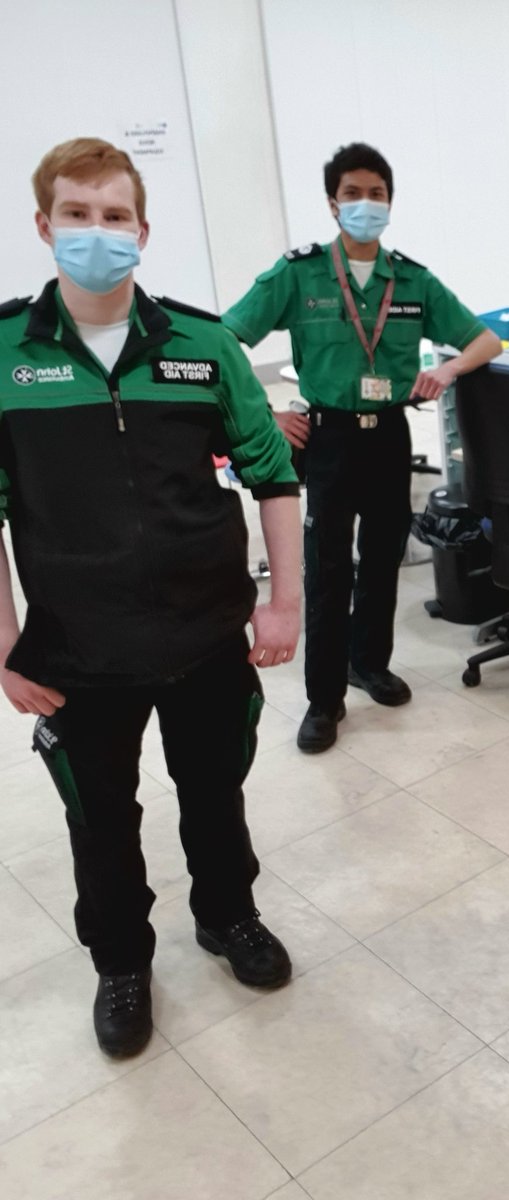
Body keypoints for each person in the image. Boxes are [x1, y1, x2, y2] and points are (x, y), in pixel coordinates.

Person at [0, 138, 302, 1057]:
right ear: (45, 226)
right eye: (79, 216)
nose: (99, 233)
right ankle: (121, 964)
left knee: (215, 794)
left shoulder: (202, 345)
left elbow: (273, 475)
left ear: (143, 229)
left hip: (207, 634)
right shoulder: (7, 354)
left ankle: (227, 916)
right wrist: (4, 643)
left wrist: (282, 602)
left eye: (116, 216)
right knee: (100, 819)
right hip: (77, 649)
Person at [223, 142, 501, 754]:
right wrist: (266, 416)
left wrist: (448, 371)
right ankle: (324, 700)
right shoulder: (298, 275)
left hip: (390, 435)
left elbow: (485, 340)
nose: (365, 204)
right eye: (353, 193)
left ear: (390, 203)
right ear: (332, 203)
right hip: (327, 437)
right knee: (327, 570)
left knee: (381, 560)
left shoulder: (413, 279)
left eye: (376, 194)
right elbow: (222, 342)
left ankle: (368, 664)